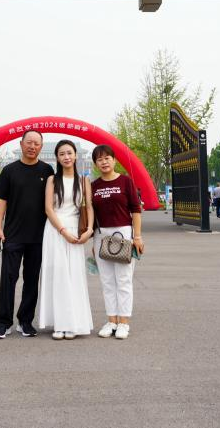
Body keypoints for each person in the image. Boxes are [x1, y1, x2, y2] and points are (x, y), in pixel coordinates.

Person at [0, 129, 54, 339]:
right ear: (21, 144)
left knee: (32, 280)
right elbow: (1, 201)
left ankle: (25, 321)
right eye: (29, 142)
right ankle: (3, 323)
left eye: (36, 143)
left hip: (38, 236)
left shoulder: (48, 170)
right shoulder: (9, 171)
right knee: (8, 279)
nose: (32, 146)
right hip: (13, 235)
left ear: (41, 147)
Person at [39, 140, 94, 340]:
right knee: (58, 275)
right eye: (62, 154)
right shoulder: (52, 180)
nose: (66, 157)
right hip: (55, 231)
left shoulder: (84, 180)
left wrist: (89, 230)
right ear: (57, 158)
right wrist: (63, 231)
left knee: (74, 276)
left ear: (76, 155)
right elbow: (48, 209)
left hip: (76, 231)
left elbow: (89, 207)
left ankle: (74, 323)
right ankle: (60, 323)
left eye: (69, 153)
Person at [90, 145, 144, 340]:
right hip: (101, 236)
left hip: (123, 234)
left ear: (114, 160)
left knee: (123, 280)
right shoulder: (94, 186)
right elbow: (91, 214)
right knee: (107, 281)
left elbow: (136, 210)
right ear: (96, 164)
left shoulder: (125, 181)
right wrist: (93, 242)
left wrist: (137, 236)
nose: (104, 162)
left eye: (107, 158)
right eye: (99, 159)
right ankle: (111, 320)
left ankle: (124, 322)